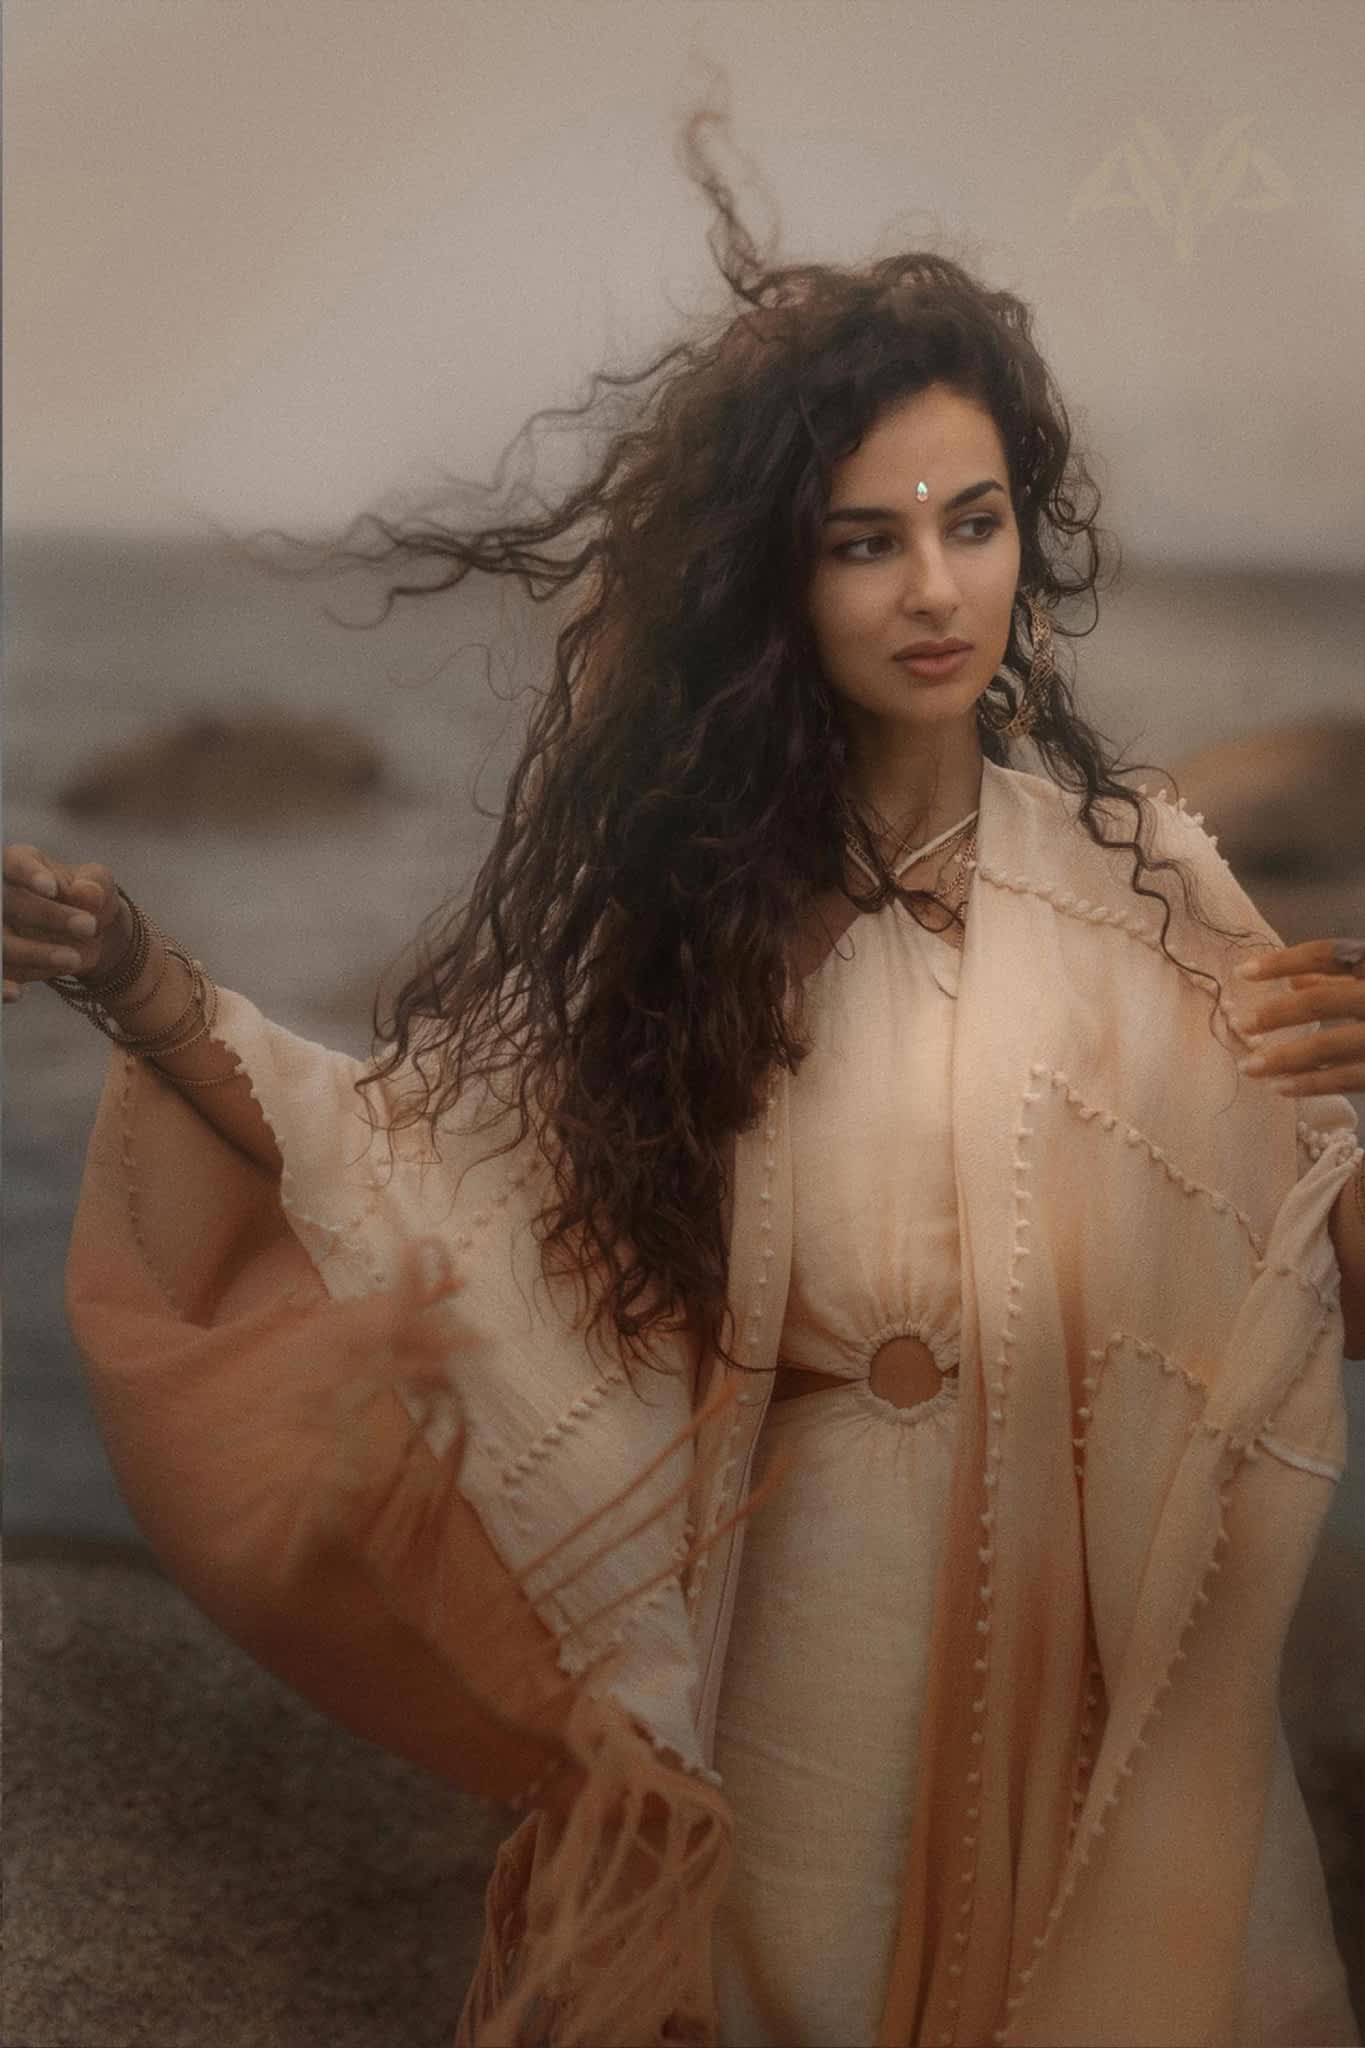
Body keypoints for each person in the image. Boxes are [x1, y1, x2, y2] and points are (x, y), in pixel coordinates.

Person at [8, 114, 1365, 2048]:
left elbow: (1329, 1292)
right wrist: (141, 982)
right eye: (863, 539)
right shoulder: (690, 932)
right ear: (775, 582)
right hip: (806, 1634)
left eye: (970, 522)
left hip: (1100, 1662)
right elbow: (397, 1170)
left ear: (1024, 538)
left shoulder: (1152, 887)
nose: (931, 587)